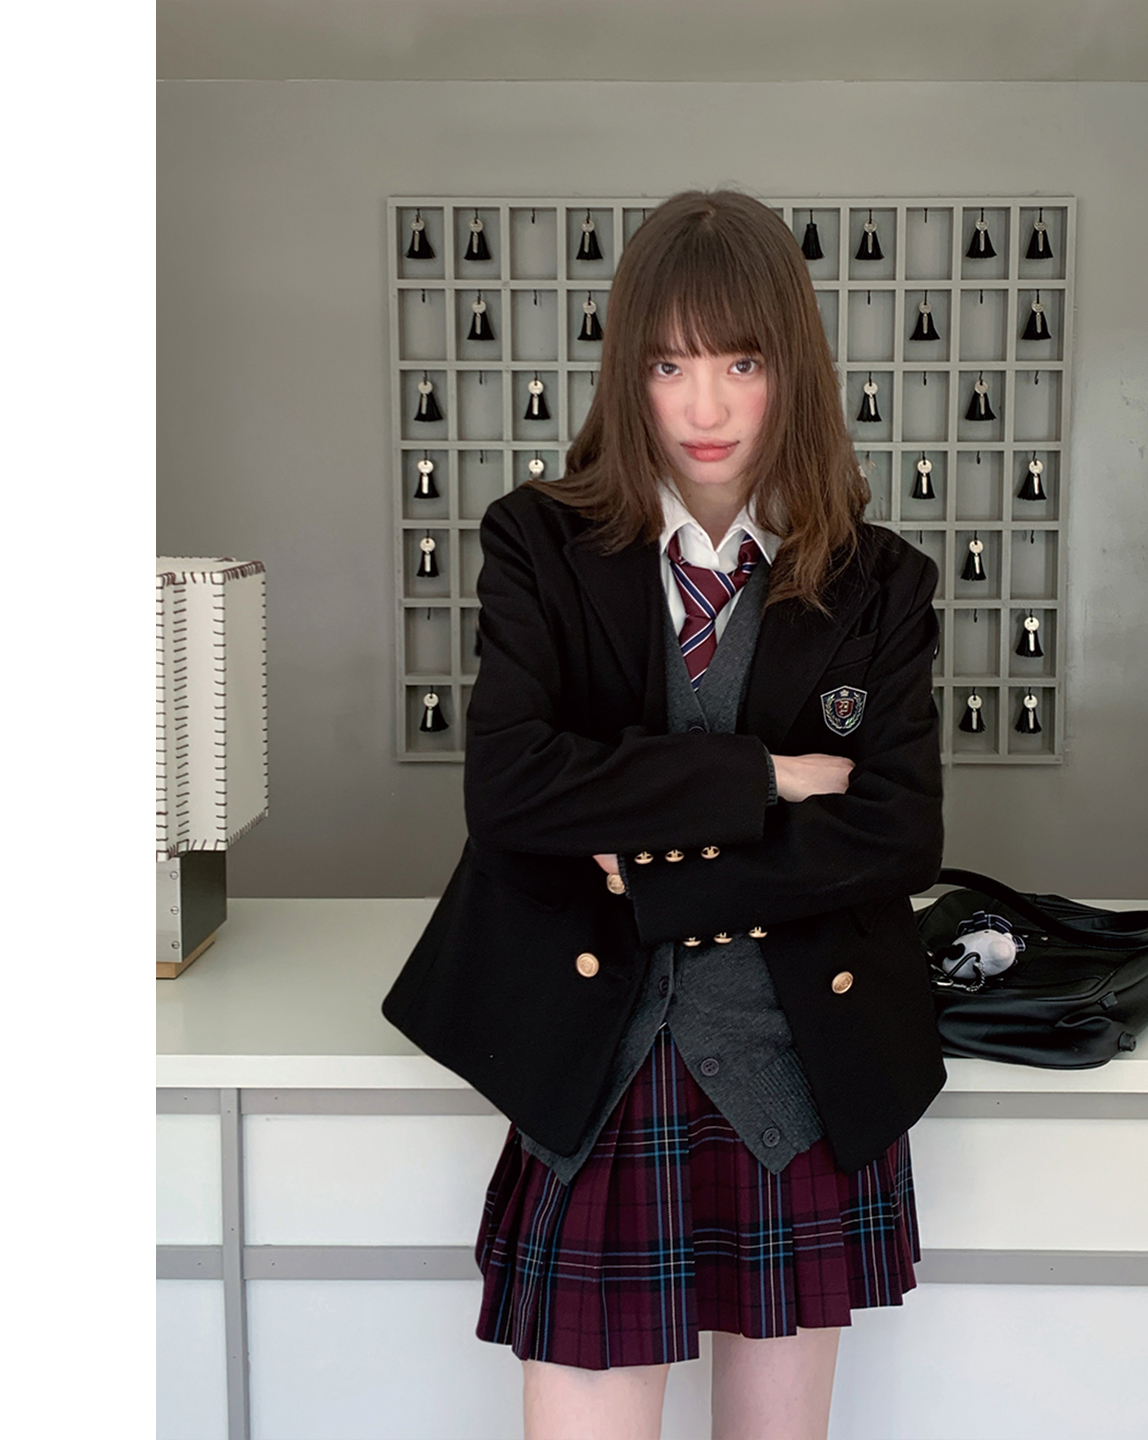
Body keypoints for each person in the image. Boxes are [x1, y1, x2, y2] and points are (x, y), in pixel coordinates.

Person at [382, 189, 946, 1440]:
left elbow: (898, 833)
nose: (705, 407)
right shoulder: (540, 544)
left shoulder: (879, 583)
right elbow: (511, 788)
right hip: (597, 1066)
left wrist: (651, 874)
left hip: (797, 1067)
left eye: (741, 364)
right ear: (626, 372)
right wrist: (763, 778)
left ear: (791, 370)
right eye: (668, 364)